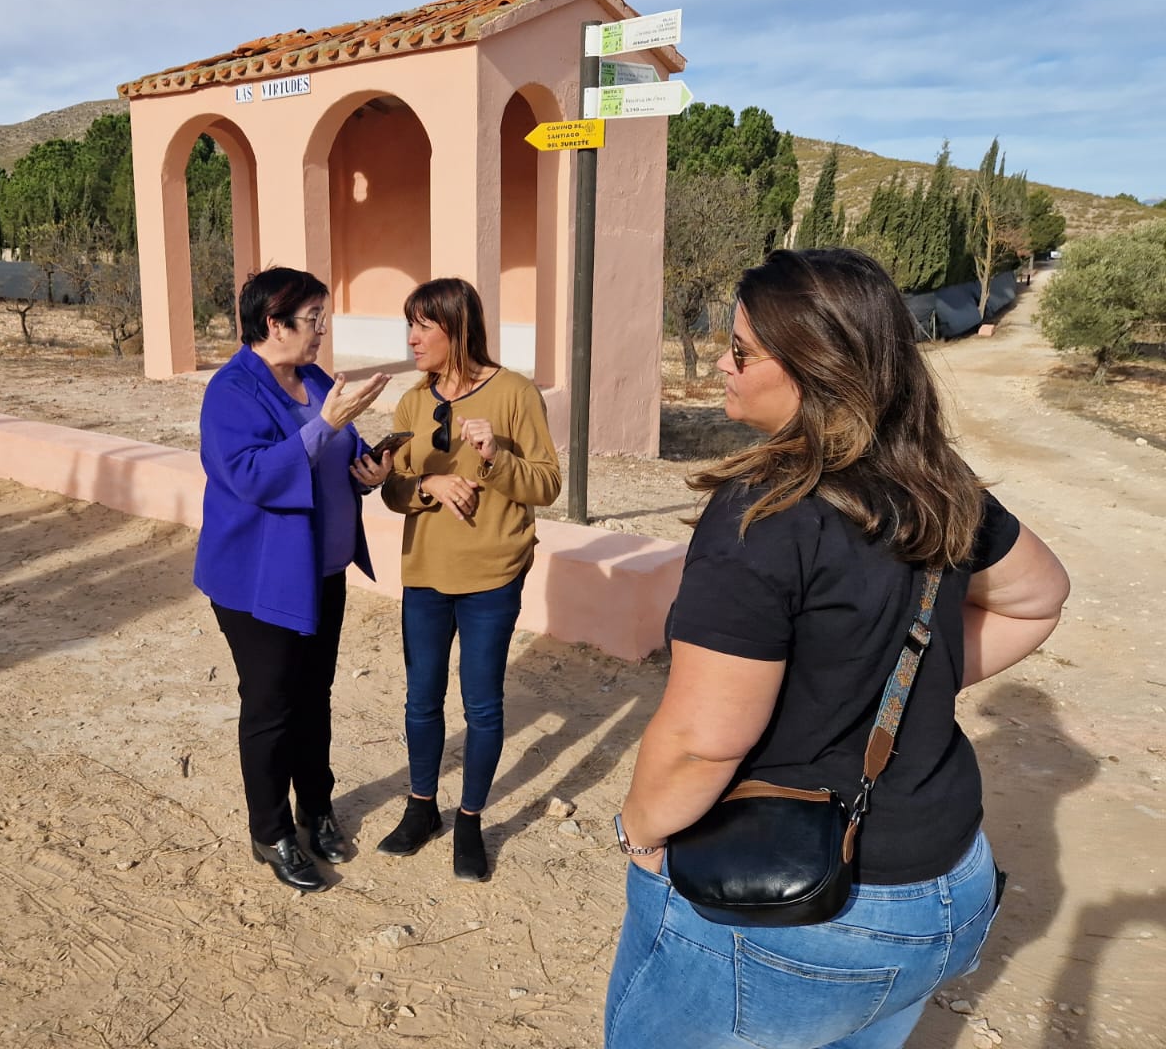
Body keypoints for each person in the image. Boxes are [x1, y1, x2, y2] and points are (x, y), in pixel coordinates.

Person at [604, 249, 1070, 1048]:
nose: (721, 362)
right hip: (947, 882)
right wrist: (904, 678)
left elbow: (701, 745)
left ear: (813, 369)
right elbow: (1037, 596)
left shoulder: (762, 515)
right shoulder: (936, 479)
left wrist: (640, 836)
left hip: (804, 913)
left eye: (741, 350)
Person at [195, 267, 392, 893]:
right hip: (260, 582)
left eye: (323, 319)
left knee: (315, 696)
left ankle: (317, 808)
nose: (322, 332)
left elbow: (334, 449)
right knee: (272, 704)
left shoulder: (312, 380)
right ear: (273, 324)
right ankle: (270, 829)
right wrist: (326, 427)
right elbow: (250, 475)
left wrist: (367, 470)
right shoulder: (232, 391)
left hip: (321, 573)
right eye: (313, 321)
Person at [377, 277, 561, 881]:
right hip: (425, 574)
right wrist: (425, 486)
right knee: (421, 699)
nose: (412, 339)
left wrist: (496, 457)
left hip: (491, 578)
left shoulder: (514, 393)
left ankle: (471, 821)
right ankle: (422, 807)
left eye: (423, 327)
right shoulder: (411, 403)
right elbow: (393, 489)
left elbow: (547, 485)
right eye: (410, 325)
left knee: (482, 705)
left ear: (457, 329)